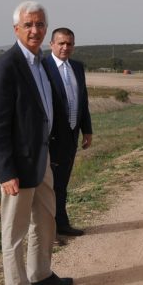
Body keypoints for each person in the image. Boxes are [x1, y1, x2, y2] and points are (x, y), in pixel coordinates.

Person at [0, 1, 73, 285]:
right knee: (15, 233)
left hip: (43, 159)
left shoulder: (42, 64)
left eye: (39, 24)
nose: (34, 30)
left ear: (45, 28)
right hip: (19, 166)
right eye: (28, 25)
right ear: (16, 29)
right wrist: (5, 171)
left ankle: (40, 273)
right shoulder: (6, 68)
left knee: (46, 222)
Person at [42, 27, 93, 237]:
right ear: (51, 44)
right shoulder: (42, 66)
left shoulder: (77, 68)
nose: (65, 47)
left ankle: (61, 224)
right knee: (47, 188)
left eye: (69, 43)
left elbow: (83, 101)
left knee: (61, 184)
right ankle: (47, 231)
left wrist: (86, 130)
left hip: (70, 136)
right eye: (61, 43)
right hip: (50, 137)